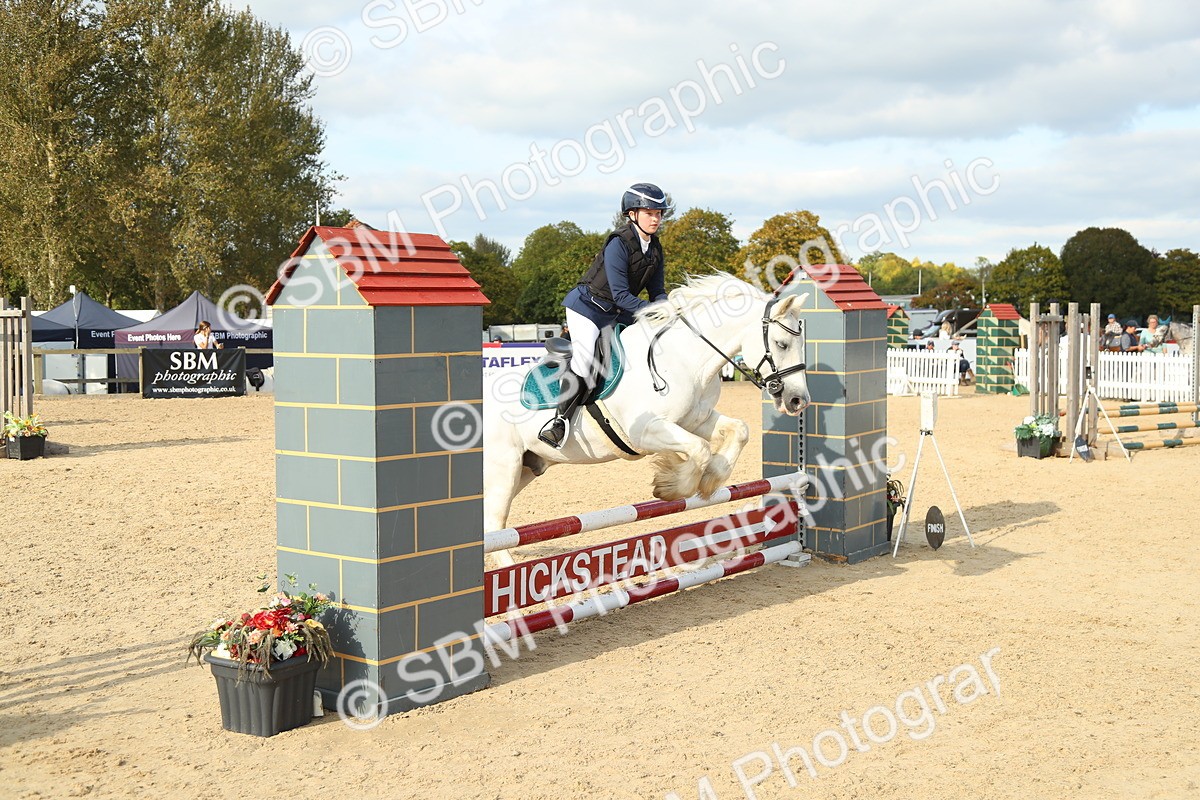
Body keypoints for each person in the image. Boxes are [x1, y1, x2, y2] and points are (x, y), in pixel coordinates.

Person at [538, 182, 670, 448]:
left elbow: (657, 292)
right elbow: (621, 294)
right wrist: (655, 311)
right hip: (587, 308)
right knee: (586, 359)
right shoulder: (618, 243)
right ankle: (559, 422)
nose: (655, 218)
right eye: (649, 213)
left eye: (658, 213)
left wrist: (670, 310)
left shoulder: (655, 248)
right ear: (632, 214)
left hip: (617, 311)